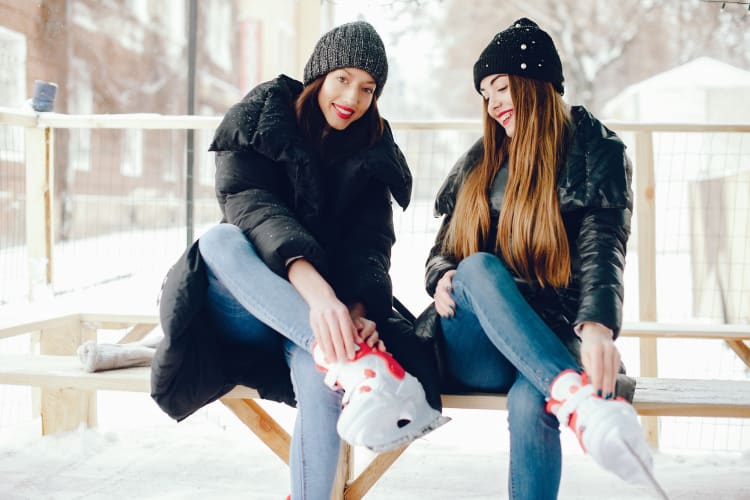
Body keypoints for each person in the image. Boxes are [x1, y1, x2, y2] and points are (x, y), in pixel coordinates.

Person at [150, 21, 446, 500]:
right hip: (245, 310)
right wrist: (322, 298)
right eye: (343, 78)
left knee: (322, 378)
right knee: (220, 242)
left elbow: (369, 246)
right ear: (319, 75)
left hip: (316, 327)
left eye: (368, 88)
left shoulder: (372, 152)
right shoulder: (262, 120)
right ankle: (352, 362)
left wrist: (357, 311)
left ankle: (342, 372)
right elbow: (253, 210)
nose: (353, 97)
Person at [417, 18, 656, 499]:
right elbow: (444, 252)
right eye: (486, 93)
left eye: (501, 87)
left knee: (534, 400)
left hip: (550, 335)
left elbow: (602, 250)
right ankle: (581, 402)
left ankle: (564, 392)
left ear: (537, 84)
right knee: (478, 266)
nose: (494, 103)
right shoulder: (480, 161)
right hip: (474, 341)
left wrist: (597, 329)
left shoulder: (594, 152)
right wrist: (442, 274)